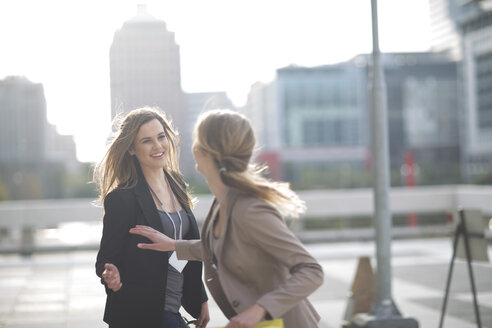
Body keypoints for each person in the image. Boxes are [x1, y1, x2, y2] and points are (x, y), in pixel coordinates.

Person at [130, 109, 324, 328]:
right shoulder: (223, 201)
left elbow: (311, 270)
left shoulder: (250, 209)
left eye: (197, 140)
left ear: (206, 152)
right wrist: (173, 245)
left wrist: (259, 310)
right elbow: (224, 247)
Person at [93, 107, 210, 328]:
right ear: (131, 149)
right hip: (139, 314)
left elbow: (183, 250)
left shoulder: (177, 184)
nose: (158, 146)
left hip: (174, 310)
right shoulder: (122, 199)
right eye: (147, 141)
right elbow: (105, 260)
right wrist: (111, 275)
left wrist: (200, 297)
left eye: (161, 137)